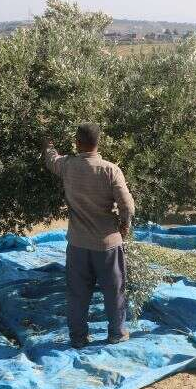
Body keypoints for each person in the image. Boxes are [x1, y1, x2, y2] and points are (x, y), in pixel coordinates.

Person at [43, 124, 136, 349]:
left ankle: (78, 338)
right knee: (114, 291)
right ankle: (116, 333)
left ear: (77, 142)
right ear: (98, 142)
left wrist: (48, 143)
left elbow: (51, 159)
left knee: (77, 294)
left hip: (77, 244)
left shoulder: (68, 166)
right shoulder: (110, 170)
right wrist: (124, 226)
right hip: (108, 245)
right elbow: (128, 206)